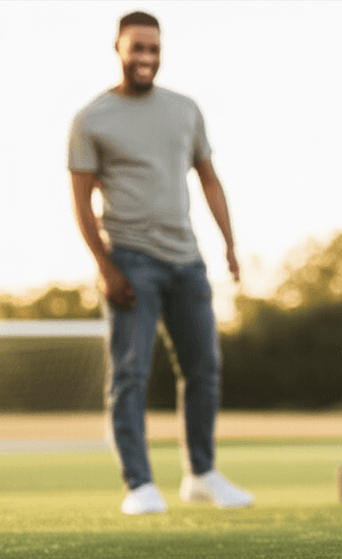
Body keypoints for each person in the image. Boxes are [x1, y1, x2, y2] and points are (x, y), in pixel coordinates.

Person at [68, 11, 253, 515]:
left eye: (154, 48)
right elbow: (81, 202)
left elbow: (209, 179)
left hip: (187, 259)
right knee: (130, 372)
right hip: (130, 259)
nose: (146, 58)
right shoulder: (91, 119)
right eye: (137, 49)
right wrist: (107, 268)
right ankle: (139, 485)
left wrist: (230, 245)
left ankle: (201, 474)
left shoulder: (185, 110)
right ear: (119, 49)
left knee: (204, 369)